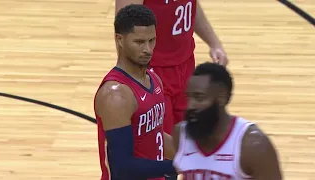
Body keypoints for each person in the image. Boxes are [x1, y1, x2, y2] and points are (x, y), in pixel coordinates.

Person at [115, 0, 229, 136]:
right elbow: (124, 27)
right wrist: (129, 77)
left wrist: (214, 43)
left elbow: (189, 5)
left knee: (190, 137)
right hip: (152, 71)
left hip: (186, 65)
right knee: (162, 143)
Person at [94, 4, 176, 180]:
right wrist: (176, 166)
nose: (147, 49)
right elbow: (123, 168)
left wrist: (196, 155)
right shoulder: (116, 95)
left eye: (151, 40)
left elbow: (155, 136)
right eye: (139, 42)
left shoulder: (154, 80)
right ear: (120, 40)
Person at [172, 62, 283, 180]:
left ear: (222, 98)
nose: (190, 105)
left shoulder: (253, 145)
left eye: (199, 97)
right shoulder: (181, 134)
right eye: (188, 97)